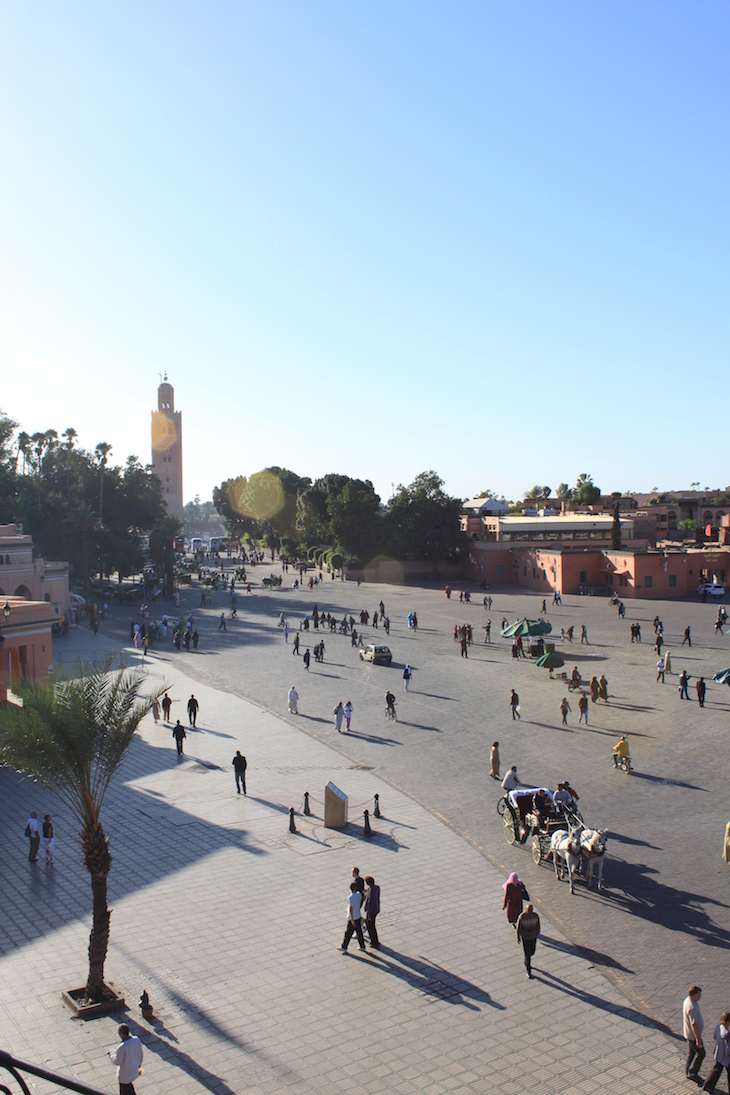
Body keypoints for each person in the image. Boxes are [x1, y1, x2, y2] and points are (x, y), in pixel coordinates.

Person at [108, 1023, 144, 1095]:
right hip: (134, 1070)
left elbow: (117, 1061)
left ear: (121, 1034)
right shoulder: (136, 1040)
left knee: (124, 1091)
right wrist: (139, 1064)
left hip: (125, 1074)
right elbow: (141, 1054)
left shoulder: (122, 1047)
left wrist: (111, 1053)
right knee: (129, 1089)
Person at [702, 1011, 730, 1093]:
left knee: (716, 1069)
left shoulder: (718, 1027)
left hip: (718, 1052)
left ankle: (708, 1085)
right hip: (725, 1057)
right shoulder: (727, 1033)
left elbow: (714, 1036)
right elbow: (728, 1048)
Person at [684, 986, 706, 1082]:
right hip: (693, 1036)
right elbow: (694, 1024)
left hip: (689, 1034)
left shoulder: (688, 1001)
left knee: (692, 1052)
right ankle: (693, 1072)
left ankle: (688, 1070)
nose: (700, 996)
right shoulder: (692, 1008)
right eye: (699, 994)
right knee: (701, 1054)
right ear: (694, 995)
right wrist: (698, 1039)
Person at [340, 881, 367, 952]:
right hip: (358, 915)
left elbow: (351, 909)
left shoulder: (350, 897)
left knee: (348, 933)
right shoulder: (359, 895)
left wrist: (351, 919)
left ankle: (344, 946)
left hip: (353, 917)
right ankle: (362, 946)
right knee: (359, 932)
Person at [516, 902, 540, 978]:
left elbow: (538, 926)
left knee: (532, 951)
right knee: (528, 954)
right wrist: (518, 937)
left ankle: (526, 960)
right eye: (528, 909)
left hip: (533, 937)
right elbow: (518, 928)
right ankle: (528, 970)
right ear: (526, 909)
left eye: (531, 909)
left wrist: (536, 933)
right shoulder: (522, 917)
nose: (529, 911)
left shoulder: (535, 916)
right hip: (525, 937)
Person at [363, 875, 380, 948]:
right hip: (376, 909)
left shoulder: (371, 891)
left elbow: (370, 902)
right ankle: (375, 940)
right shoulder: (376, 888)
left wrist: (369, 913)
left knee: (370, 926)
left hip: (371, 911)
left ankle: (374, 941)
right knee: (372, 925)